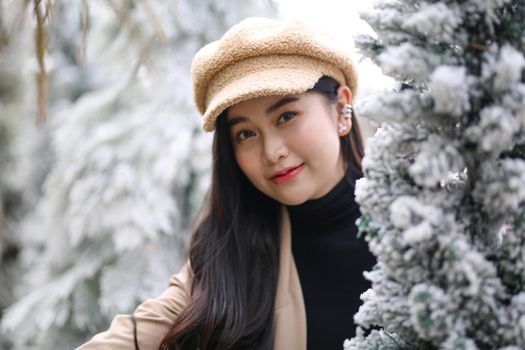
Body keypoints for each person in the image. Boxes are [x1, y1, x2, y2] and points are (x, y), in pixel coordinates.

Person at [77, 17, 376, 350]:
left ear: (340, 108)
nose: (272, 152)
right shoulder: (230, 255)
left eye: (286, 116)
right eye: (245, 133)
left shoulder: (420, 213)